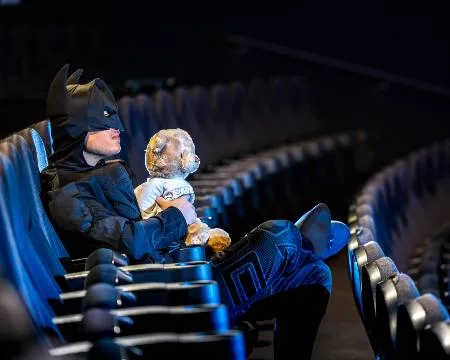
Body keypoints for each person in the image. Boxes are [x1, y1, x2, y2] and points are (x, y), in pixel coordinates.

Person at [41, 65, 350, 359]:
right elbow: (131, 241)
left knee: (314, 276)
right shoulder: (68, 194)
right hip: (175, 291)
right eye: (104, 123)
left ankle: (302, 244)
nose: (116, 129)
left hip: (185, 268)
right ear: (78, 130)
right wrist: (179, 215)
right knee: (278, 234)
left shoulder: (101, 176)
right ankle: (301, 239)